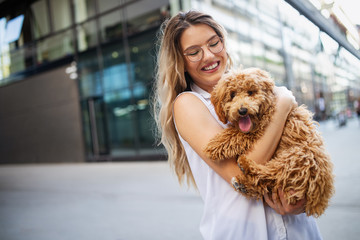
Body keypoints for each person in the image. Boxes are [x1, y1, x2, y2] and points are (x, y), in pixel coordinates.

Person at [153, 10, 323, 240]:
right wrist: (282, 105)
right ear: (180, 62)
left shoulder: (251, 84)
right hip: (244, 232)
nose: (208, 56)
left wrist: (303, 197)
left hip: (297, 229)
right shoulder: (188, 104)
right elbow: (243, 177)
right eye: (194, 52)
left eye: (214, 43)